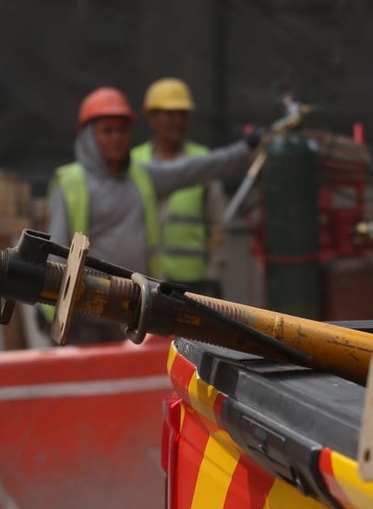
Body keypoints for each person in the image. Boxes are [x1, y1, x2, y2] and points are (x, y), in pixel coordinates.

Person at [44, 86, 257, 343]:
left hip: (136, 308)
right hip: (88, 310)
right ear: (89, 136)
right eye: (107, 131)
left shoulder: (141, 177)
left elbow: (194, 168)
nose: (116, 138)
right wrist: (50, 308)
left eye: (122, 131)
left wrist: (244, 149)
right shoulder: (71, 183)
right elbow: (57, 250)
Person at [131, 78, 227, 298]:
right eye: (170, 114)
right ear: (152, 118)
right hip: (145, 279)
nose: (177, 121)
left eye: (182, 114)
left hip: (196, 283)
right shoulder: (135, 163)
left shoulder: (203, 162)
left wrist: (214, 275)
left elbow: (218, 224)